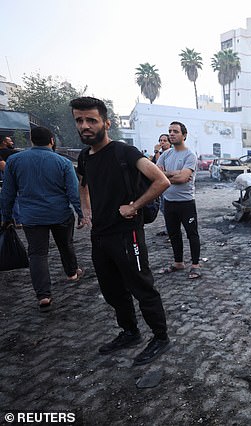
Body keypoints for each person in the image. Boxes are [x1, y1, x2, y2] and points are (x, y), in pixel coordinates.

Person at [70, 96, 171, 366]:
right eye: (79, 120)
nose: (85, 126)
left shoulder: (124, 152)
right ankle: (130, 332)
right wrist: (86, 210)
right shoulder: (84, 156)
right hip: (100, 236)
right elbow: (83, 185)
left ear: (106, 123)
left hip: (128, 234)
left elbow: (161, 181)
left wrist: (135, 205)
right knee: (112, 289)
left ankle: (160, 337)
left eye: (91, 120)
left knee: (142, 287)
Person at [0, 127, 84, 312]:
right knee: (65, 244)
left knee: (37, 254)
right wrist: (81, 214)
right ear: (52, 140)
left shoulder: (14, 161)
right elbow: (73, 191)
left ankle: (44, 296)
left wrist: (7, 217)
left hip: (32, 216)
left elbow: (7, 193)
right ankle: (71, 273)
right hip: (60, 213)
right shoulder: (62, 162)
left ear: (31, 140)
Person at [156, 121, 202, 279]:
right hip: (169, 201)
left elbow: (183, 178)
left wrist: (166, 175)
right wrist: (174, 174)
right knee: (173, 233)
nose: (171, 134)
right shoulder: (165, 154)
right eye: (170, 131)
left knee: (192, 234)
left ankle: (195, 265)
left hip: (186, 203)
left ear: (184, 135)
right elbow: (156, 175)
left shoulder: (190, 155)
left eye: (175, 131)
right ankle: (178, 262)